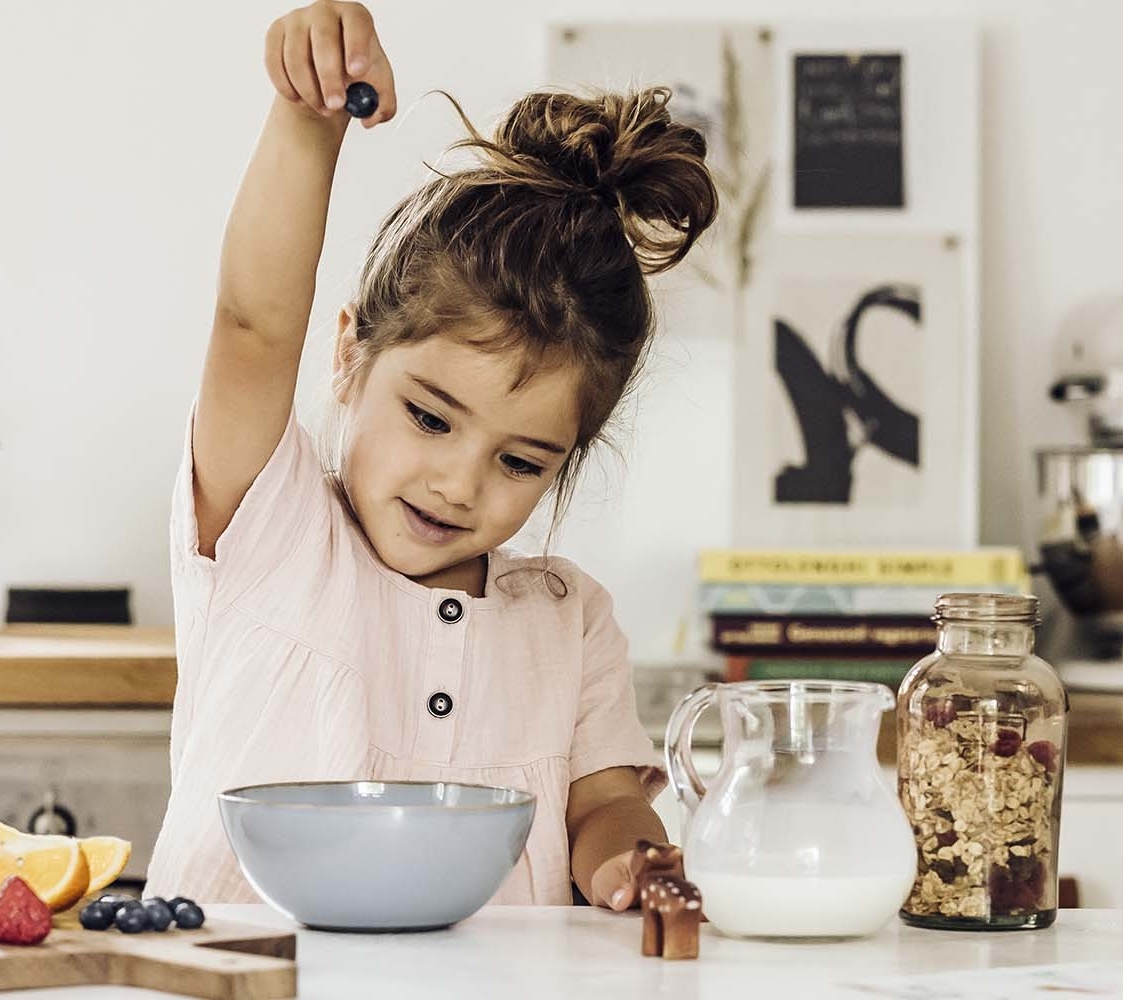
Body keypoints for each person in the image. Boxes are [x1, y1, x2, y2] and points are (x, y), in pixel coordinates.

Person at [148, 0, 722, 911]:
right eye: (429, 417)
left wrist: (631, 863)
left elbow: (606, 807)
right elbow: (252, 326)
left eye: (522, 463)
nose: (461, 485)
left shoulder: (570, 626)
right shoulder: (274, 531)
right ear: (348, 356)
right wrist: (309, 119)